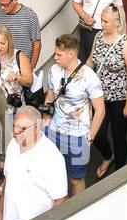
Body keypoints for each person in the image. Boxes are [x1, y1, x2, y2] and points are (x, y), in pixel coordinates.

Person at [41, 33, 105, 196]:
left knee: (76, 179)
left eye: (58, 54)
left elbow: (100, 110)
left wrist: (89, 138)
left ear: (72, 54)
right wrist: (45, 122)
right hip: (53, 131)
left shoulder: (89, 77)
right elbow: (50, 94)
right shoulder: (53, 71)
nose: (54, 57)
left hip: (77, 137)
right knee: (50, 174)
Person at [0, 106, 68, 220]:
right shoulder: (13, 145)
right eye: (14, 126)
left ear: (36, 128)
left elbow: (60, 199)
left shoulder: (52, 158)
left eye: (21, 128)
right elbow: (8, 178)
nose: (15, 132)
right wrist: (1, 210)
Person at [88, 4, 127, 180]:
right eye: (101, 20)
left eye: (105, 21)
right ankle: (108, 157)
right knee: (98, 134)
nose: (101, 23)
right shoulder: (98, 36)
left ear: (117, 24)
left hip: (121, 98)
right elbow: (91, 61)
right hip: (100, 97)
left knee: (118, 137)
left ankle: (119, 173)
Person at [0, 0, 41, 69]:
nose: (2, 8)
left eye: (5, 5)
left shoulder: (30, 15)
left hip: (23, 68)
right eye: (0, 4)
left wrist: (30, 69)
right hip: (3, 70)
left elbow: (37, 45)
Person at [0, 26, 33, 106]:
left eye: (3, 43)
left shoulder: (19, 56)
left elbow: (29, 81)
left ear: (9, 41)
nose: (0, 47)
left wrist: (17, 77)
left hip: (17, 105)